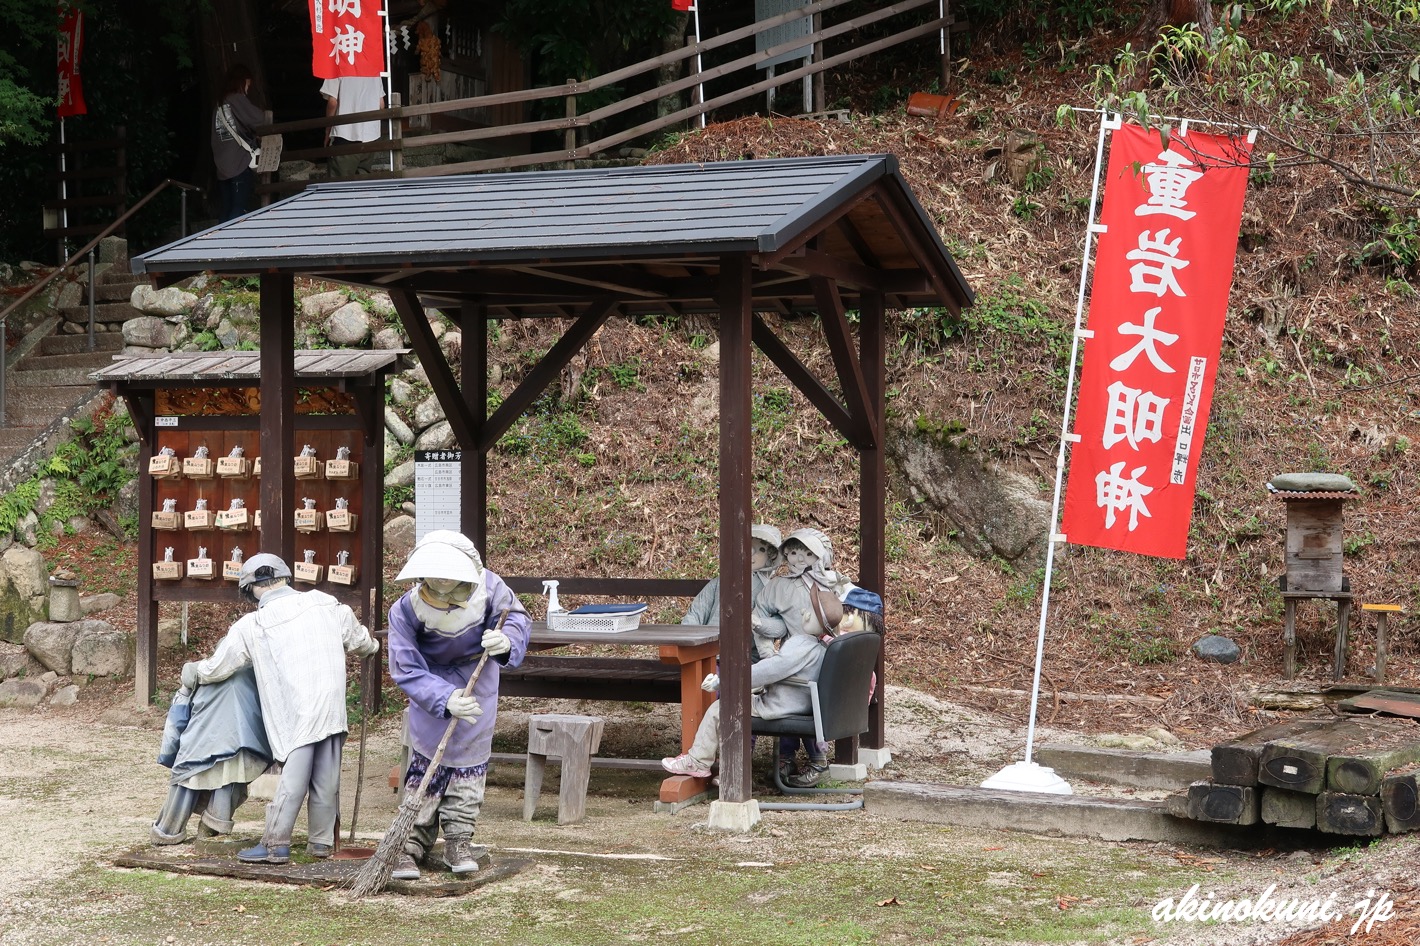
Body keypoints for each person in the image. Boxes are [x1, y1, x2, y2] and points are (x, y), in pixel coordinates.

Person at [180, 553, 379, 864]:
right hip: (331, 705)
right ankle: (321, 843)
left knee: (294, 777)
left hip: (297, 709)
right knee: (326, 775)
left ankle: (276, 844)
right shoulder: (326, 603)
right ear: (285, 578)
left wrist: (192, 673)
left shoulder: (254, 623)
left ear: (253, 589)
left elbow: (218, 667)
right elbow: (363, 642)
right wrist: (372, 646)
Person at [386, 530, 531, 880]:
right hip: (430, 688)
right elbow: (404, 665)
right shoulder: (405, 609)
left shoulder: (491, 588)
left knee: (469, 759)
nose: (441, 583)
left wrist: (505, 641)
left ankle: (459, 838)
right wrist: (444, 697)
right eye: (434, 578)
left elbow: (517, 618)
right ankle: (410, 843)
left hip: (476, 681)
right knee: (427, 759)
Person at [661, 576, 829, 779]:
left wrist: (726, 681)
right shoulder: (822, 647)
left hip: (781, 705)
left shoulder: (800, 644)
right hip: (800, 701)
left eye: (807, 610)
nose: (802, 611)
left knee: (720, 708)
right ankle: (726, 766)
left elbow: (770, 669)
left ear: (812, 619)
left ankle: (699, 761)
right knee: (743, 696)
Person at [150, 667, 272, 845]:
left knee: (186, 782)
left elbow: (177, 719)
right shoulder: (254, 674)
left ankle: (166, 832)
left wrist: (170, 754)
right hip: (238, 743)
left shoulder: (197, 672)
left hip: (197, 745)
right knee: (230, 774)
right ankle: (212, 829)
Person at [779, 585, 885, 788]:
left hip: (823, 710)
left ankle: (813, 759)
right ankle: (792, 757)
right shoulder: (863, 652)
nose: (845, 622)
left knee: (793, 702)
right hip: (840, 711)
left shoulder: (831, 645)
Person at [751, 527, 848, 661]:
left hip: (832, 654)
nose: (800, 559)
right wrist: (768, 655)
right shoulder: (780, 586)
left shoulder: (833, 582)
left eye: (809, 554)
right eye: (794, 553)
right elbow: (759, 613)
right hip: (796, 657)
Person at [680, 523, 782, 627]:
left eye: (761, 549)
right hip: (710, 638)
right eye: (748, 546)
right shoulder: (721, 581)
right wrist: (687, 635)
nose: (751, 552)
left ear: (772, 556)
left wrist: (762, 625)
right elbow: (698, 611)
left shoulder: (770, 589)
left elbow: (779, 622)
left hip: (748, 642)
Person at [211, 63, 265, 222]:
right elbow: (259, 119)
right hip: (238, 164)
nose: (248, 89)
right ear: (242, 81)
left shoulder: (219, 104)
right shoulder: (236, 99)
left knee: (226, 209)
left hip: (222, 166)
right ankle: (232, 242)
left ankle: (220, 242)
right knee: (238, 208)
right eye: (248, 84)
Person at [320, 75, 386, 178]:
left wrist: (327, 130)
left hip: (345, 135)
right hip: (370, 137)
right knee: (363, 186)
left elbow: (333, 103)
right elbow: (381, 104)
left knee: (339, 185)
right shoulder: (373, 67)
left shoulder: (337, 64)